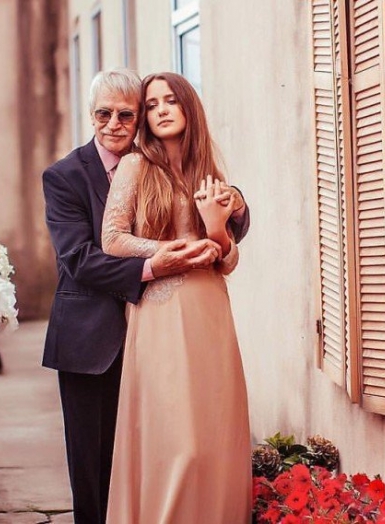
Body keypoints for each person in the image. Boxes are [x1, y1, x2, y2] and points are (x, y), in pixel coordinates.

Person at [41, 69, 250, 524]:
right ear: (91, 116)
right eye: (104, 114)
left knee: (177, 443)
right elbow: (79, 258)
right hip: (94, 336)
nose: (114, 124)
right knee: (95, 468)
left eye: (126, 114)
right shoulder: (65, 176)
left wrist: (230, 208)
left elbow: (226, 228)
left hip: (176, 323)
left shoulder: (183, 164)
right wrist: (158, 263)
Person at [102, 72, 252, 523]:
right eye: (151, 105)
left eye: (170, 100)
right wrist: (169, 251)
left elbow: (226, 259)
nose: (161, 110)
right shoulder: (135, 166)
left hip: (210, 307)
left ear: (189, 107)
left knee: (214, 435)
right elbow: (112, 239)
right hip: (161, 310)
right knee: (177, 440)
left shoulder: (209, 175)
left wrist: (216, 228)